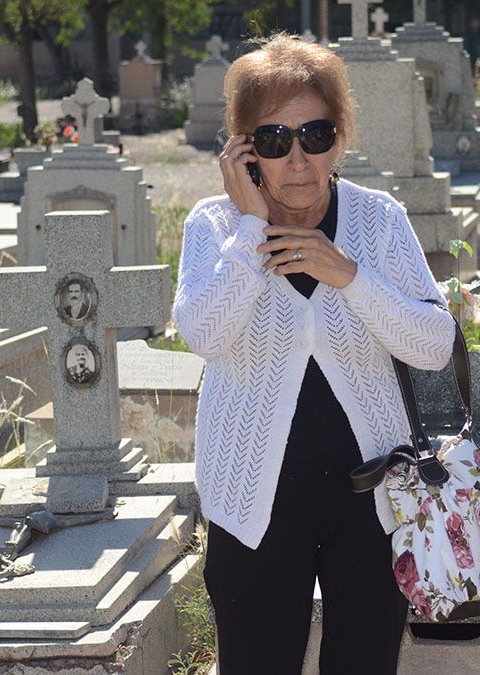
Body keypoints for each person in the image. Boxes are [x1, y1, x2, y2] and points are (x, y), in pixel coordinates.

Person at [172, 33, 456, 674]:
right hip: (253, 505)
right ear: (243, 151)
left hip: (374, 502)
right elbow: (204, 336)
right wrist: (250, 231)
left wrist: (349, 275)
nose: (298, 159)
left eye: (316, 134)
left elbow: (435, 346)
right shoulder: (215, 227)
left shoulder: (376, 221)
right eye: (274, 140)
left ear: (340, 137)